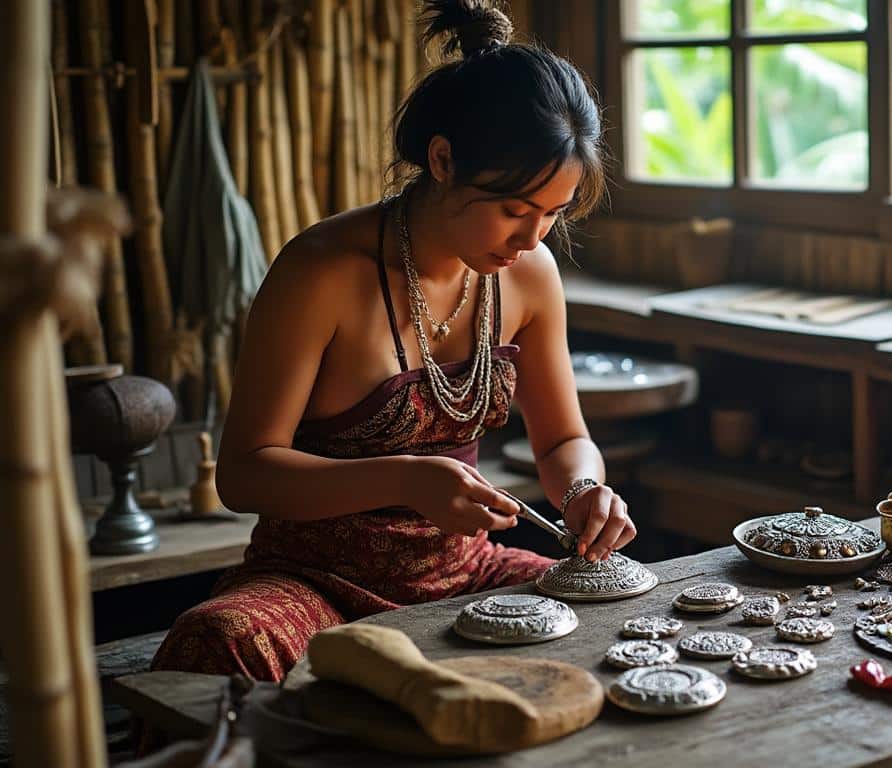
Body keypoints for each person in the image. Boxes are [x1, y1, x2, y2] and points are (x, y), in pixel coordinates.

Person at [152, 0, 633, 682]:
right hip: (314, 583)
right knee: (218, 639)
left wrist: (584, 487)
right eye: (514, 210)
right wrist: (403, 479)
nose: (532, 239)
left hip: (469, 572)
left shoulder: (529, 275)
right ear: (442, 159)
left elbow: (560, 443)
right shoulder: (321, 273)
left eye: (553, 214)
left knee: (615, 614)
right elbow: (244, 474)